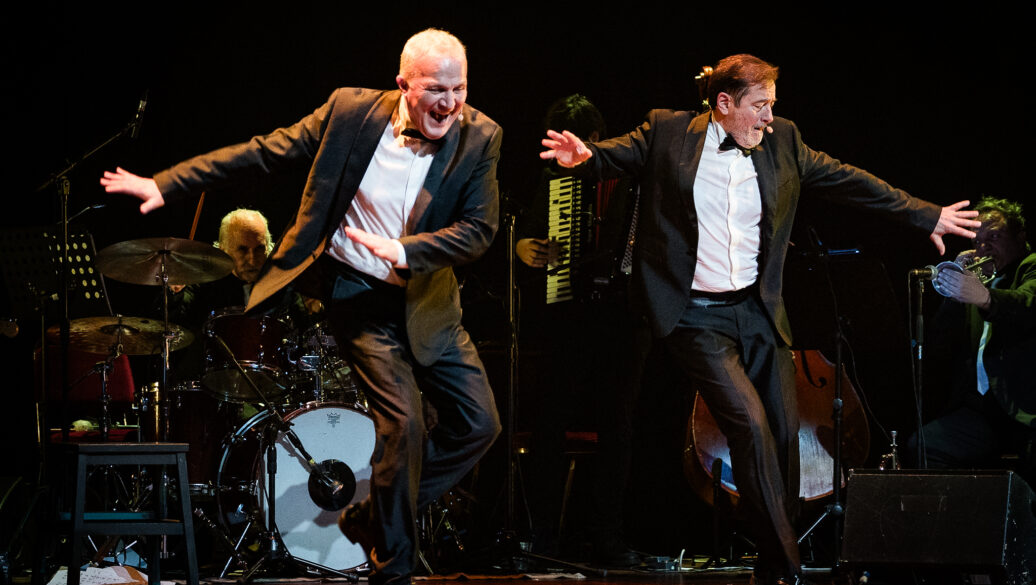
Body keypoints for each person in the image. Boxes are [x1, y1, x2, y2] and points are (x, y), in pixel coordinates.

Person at [539, 53, 980, 585]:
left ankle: (773, 563)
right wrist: (583, 158)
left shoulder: (783, 141)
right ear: (724, 104)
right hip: (694, 318)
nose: (769, 117)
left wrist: (922, 212)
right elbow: (613, 156)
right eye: (760, 106)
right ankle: (791, 572)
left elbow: (848, 179)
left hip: (757, 311)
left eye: (773, 105)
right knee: (748, 425)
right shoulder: (667, 130)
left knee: (784, 434)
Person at [101, 28, 502, 585]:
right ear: (403, 84)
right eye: (437, 88)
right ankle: (394, 572)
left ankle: (369, 514)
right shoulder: (349, 113)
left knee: (480, 425)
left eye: (459, 88)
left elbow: (480, 230)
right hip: (357, 298)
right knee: (404, 425)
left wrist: (406, 249)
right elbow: (262, 152)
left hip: (428, 301)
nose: (450, 102)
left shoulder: (481, 137)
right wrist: (168, 183)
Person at [515, 94, 642, 566]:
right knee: (551, 426)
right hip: (566, 316)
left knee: (619, 429)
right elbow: (525, 237)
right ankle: (544, 538)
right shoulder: (553, 180)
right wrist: (522, 247)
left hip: (623, 319)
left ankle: (608, 539)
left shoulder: (628, 174)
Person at [911, 197, 1035, 482]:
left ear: (1020, 238)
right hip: (985, 410)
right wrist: (955, 282)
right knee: (924, 446)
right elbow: (940, 341)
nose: (984, 247)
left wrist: (986, 298)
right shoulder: (981, 276)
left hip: (1027, 410)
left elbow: (1027, 304)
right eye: (979, 241)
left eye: (994, 237)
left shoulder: (1031, 266)